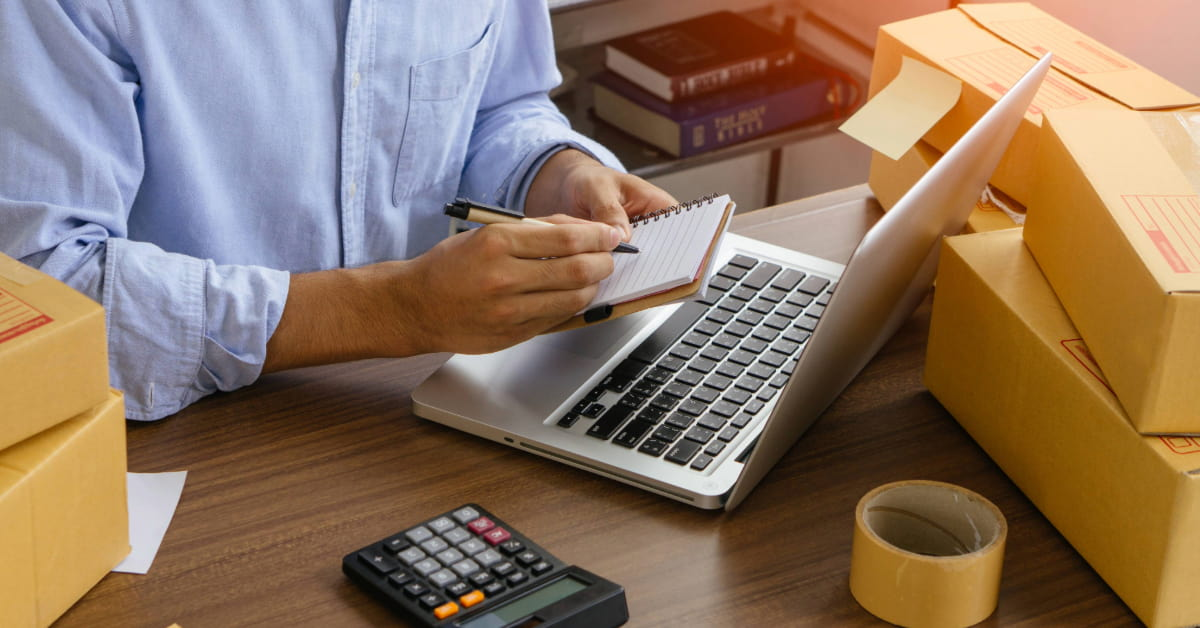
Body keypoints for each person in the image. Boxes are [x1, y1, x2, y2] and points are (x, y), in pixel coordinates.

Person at [0, 1, 676, 421]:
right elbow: (44, 293)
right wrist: (393, 310)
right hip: (193, 439)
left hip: (424, 406)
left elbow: (498, 104)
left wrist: (558, 172)